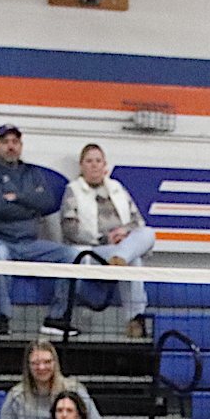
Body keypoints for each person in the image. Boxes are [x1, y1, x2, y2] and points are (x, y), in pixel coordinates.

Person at [0, 124, 79, 334]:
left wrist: (16, 197)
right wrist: (29, 207)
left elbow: (47, 202)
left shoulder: (32, 172)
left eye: (15, 142)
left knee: (70, 254)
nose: (10, 146)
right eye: (5, 142)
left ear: (21, 145)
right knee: (0, 255)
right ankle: (2, 319)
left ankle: (56, 318)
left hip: (28, 244)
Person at [59, 143, 157, 338]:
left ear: (105, 165)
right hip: (91, 251)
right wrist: (104, 238)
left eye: (98, 161)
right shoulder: (73, 190)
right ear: (81, 165)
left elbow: (137, 222)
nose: (94, 165)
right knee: (134, 261)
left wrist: (124, 232)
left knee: (148, 233)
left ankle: (120, 258)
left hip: (120, 246)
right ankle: (135, 319)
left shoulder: (117, 188)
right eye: (89, 161)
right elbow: (69, 229)